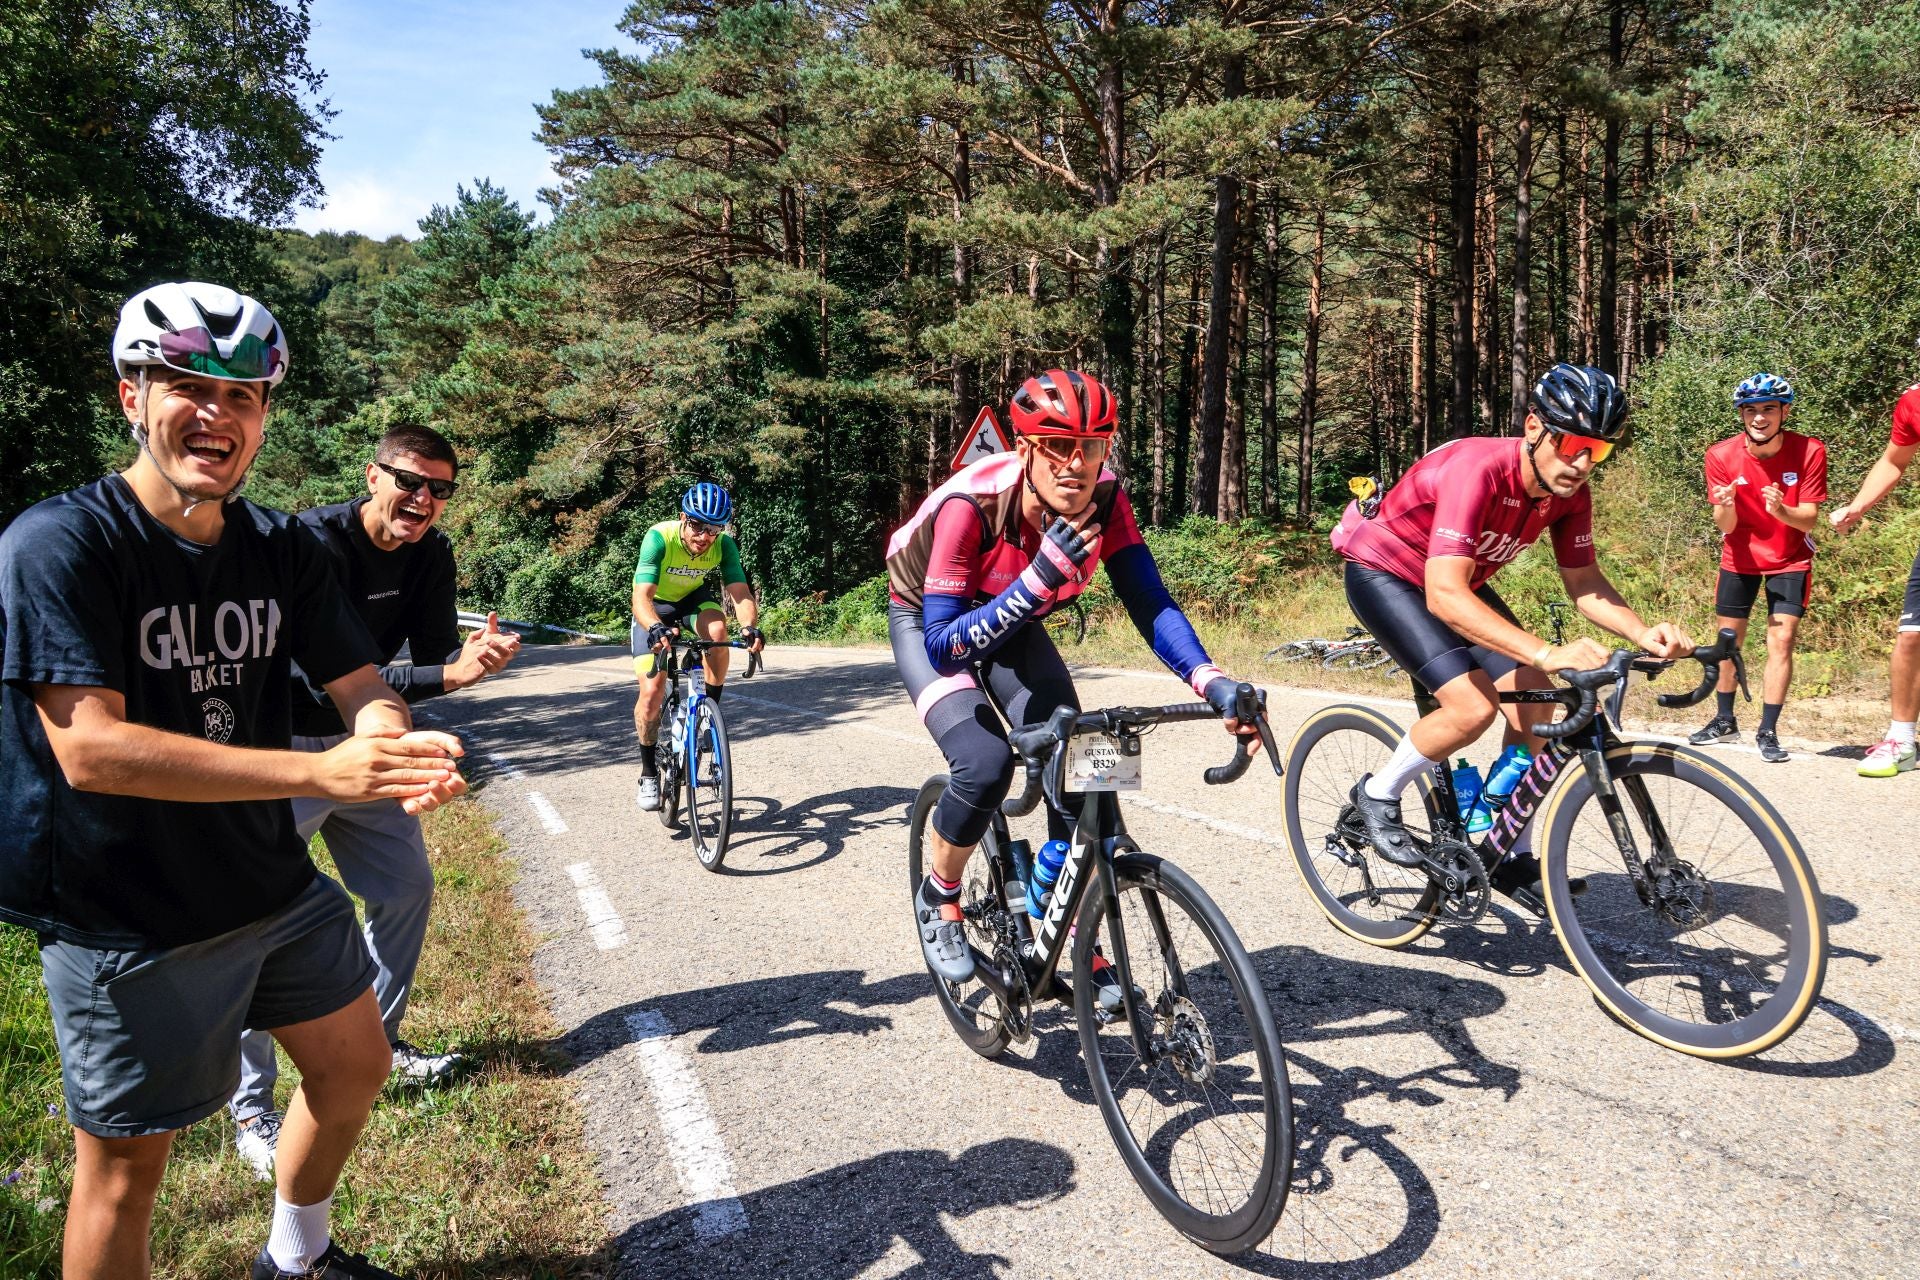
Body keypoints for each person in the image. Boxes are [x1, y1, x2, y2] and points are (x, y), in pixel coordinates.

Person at [0, 282, 465, 1280]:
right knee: (126, 1171)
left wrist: (390, 742)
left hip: (267, 879)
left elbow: (360, 681)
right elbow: (92, 747)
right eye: (184, 383)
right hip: (128, 909)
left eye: (242, 394)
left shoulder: (281, 548)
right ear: (132, 396)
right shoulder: (60, 543)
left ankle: (295, 1259)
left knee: (354, 1067)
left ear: (263, 417)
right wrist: (321, 766)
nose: (215, 412)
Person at [886, 369, 1259, 986]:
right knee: (983, 763)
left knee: (1089, 760)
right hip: (932, 619)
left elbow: (1149, 599)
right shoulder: (970, 506)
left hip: (1013, 615)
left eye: (1090, 446)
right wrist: (1036, 579)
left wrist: (1212, 681)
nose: (1075, 463)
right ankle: (939, 894)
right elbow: (942, 641)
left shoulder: (1106, 498)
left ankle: (1062, 919)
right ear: (1025, 450)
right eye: (1057, 446)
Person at [230, 424, 522, 1180]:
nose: (422, 501)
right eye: (410, 481)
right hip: (288, 750)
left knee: (406, 889)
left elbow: (424, 664)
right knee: (252, 913)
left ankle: (378, 1046)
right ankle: (251, 1105)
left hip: (372, 744)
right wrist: (443, 682)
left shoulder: (430, 555)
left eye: (440, 490)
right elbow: (294, 680)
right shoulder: (308, 545)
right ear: (372, 475)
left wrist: (463, 666)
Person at [1329, 363, 1694, 915]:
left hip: (1454, 583)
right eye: (1572, 443)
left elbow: (1584, 581)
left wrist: (1643, 631)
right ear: (1533, 428)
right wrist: (1548, 651)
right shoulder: (1478, 470)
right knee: (1472, 708)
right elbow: (1444, 598)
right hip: (1388, 574)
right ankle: (1377, 794)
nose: (1580, 462)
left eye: (1598, 452)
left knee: (1540, 706)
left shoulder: (1570, 491)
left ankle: (1511, 853)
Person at [1688, 374, 1825, 763]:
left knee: (1780, 642)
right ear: (1741, 415)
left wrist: (1780, 509)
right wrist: (1727, 504)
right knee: (1728, 642)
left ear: (1785, 412)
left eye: (1768, 409)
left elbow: (1809, 520)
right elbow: (1725, 526)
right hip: (1740, 558)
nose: (1759, 418)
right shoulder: (1720, 456)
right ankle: (1724, 720)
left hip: (1789, 559)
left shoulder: (1810, 451)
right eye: (1751, 410)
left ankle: (1768, 730)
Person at [631, 482, 763, 811]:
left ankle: (707, 716)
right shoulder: (659, 537)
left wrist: (749, 627)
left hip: (691, 603)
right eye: (698, 526)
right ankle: (648, 772)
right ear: (683, 519)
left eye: (714, 529)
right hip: (655, 609)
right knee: (651, 696)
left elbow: (740, 593)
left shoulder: (724, 546)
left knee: (718, 630)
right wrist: (655, 627)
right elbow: (641, 596)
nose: (704, 536)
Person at [1830, 359, 1920, 777]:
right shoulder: (1913, 402)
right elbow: (1894, 461)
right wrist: (1858, 506)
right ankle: (1902, 742)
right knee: (1911, 638)